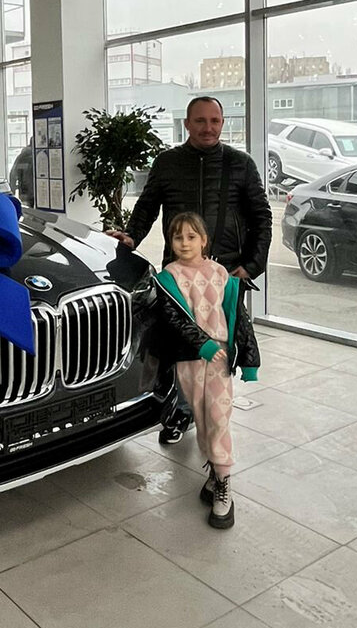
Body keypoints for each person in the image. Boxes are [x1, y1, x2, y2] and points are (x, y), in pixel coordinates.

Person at [107, 95, 272, 444]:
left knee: (220, 348)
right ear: (187, 124)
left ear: (222, 123)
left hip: (225, 276)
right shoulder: (167, 162)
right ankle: (183, 410)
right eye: (200, 121)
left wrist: (251, 266)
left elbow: (262, 217)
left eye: (215, 121)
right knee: (182, 348)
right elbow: (147, 206)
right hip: (178, 276)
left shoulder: (241, 164)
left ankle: (214, 411)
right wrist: (131, 236)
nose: (208, 128)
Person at [146, 211, 260, 528]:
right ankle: (214, 473)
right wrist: (202, 344)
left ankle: (223, 482)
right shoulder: (169, 277)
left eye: (191, 236)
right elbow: (175, 320)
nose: (185, 243)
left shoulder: (220, 273)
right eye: (178, 237)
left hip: (220, 358)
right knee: (203, 417)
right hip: (190, 359)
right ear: (170, 242)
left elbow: (239, 317)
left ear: (204, 240)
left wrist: (250, 360)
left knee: (219, 416)